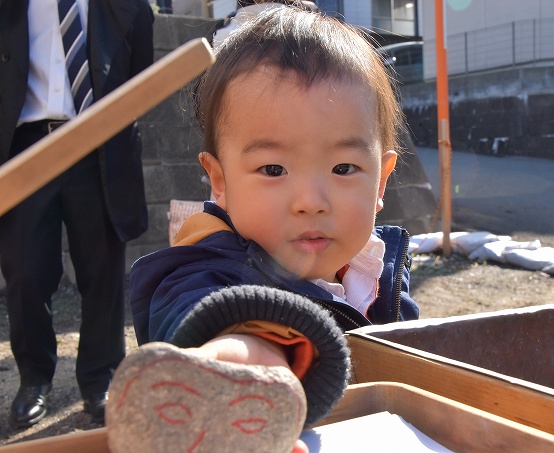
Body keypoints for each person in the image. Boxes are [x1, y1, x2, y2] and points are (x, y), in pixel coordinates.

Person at [117, 6, 418, 451]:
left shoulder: (379, 268)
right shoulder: (205, 267)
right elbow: (196, 309)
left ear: (381, 180)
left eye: (343, 166)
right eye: (274, 168)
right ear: (220, 181)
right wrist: (245, 353)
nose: (310, 202)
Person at [0, 0, 154, 427]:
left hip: (100, 147)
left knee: (103, 271)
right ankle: (34, 378)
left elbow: (141, 79)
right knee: (25, 272)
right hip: (26, 147)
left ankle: (100, 378)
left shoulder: (129, 7)